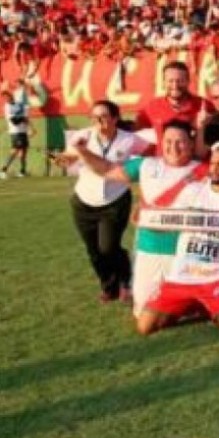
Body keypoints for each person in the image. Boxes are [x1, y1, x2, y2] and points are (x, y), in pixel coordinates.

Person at [70, 119, 208, 315]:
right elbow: (108, 170)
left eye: (181, 141)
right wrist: (83, 152)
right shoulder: (146, 165)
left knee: (190, 309)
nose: (174, 147)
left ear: (192, 143)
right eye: (168, 141)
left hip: (186, 253)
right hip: (148, 249)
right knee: (142, 312)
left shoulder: (205, 171)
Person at [135, 143, 219, 341]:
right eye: (212, 163)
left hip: (214, 276)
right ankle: (192, 305)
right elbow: (167, 217)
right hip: (181, 275)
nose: (214, 169)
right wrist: (145, 216)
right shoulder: (193, 191)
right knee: (145, 326)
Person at [55, 100, 151, 301]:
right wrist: (63, 159)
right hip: (84, 201)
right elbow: (70, 157)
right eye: (94, 117)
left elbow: (151, 153)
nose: (98, 121)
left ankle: (125, 278)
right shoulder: (83, 136)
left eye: (104, 116)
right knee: (94, 250)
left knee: (108, 246)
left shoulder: (129, 139)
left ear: (115, 118)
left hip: (115, 200)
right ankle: (109, 286)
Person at [135, 61, 208, 145]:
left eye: (180, 81)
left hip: (194, 157)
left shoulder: (203, 105)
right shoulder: (152, 106)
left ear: (188, 81)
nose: (175, 85)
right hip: (162, 157)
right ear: (164, 82)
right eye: (170, 81)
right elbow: (135, 132)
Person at [1, 87, 31, 178]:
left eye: (8, 97)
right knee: (15, 151)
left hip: (23, 131)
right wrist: (22, 118)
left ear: (11, 95)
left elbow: (25, 117)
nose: (7, 99)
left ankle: (22, 171)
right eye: (5, 98)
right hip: (15, 132)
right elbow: (14, 121)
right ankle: (3, 170)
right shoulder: (7, 107)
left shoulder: (19, 104)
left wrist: (29, 127)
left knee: (23, 152)